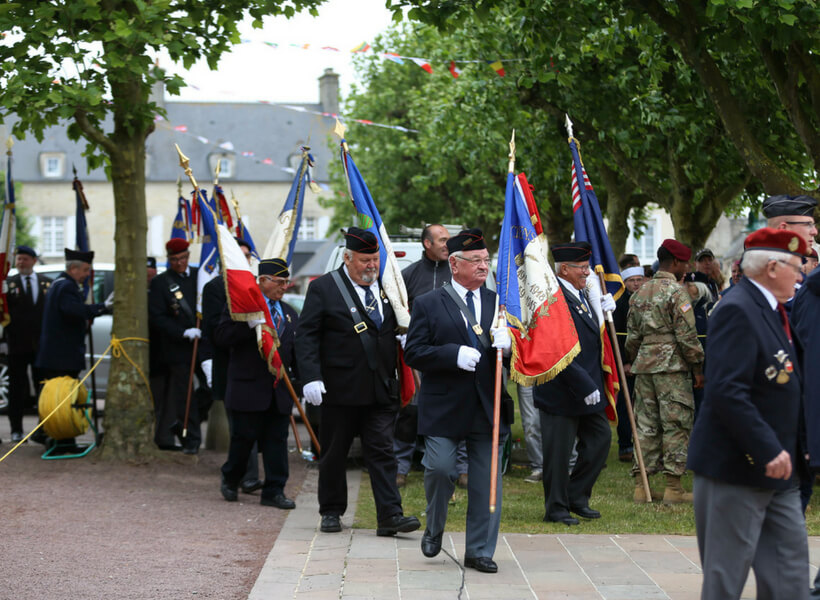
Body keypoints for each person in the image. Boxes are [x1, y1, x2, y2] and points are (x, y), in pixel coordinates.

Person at [689, 228, 809, 600]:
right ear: (773, 267)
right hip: (737, 468)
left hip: (781, 469)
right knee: (726, 580)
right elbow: (727, 391)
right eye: (796, 266)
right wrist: (766, 448)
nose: (801, 274)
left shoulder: (773, 309)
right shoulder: (738, 309)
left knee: (789, 577)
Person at [295, 227, 420, 537]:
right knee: (335, 452)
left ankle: (390, 515)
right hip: (339, 388)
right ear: (347, 258)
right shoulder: (324, 288)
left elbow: (392, 328)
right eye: (365, 260)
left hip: (379, 387)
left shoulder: (387, 289)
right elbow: (307, 336)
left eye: (375, 260)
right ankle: (332, 511)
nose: (371, 266)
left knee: (382, 452)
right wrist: (310, 377)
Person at [404, 228, 511, 573]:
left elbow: (517, 357)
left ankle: (479, 550)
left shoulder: (500, 303)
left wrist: (508, 347)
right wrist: (452, 355)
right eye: (476, 260)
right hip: (444, 405)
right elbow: (414, 352)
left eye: (486, 260)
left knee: (486, 481)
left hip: (486, 404)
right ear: (454, 264)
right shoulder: (429, 303)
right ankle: (434, 527)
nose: (483, 266)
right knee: (440, 468)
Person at [533, 242, 614, 526]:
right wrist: (584, 384)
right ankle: (555, 508)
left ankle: (577, 496)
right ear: (564, 269)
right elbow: (555, 347)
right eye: (582, 268)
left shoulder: (579, 294)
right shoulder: (553, 298)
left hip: (587, 388)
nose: (587, 273)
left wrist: (602, 312)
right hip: (562, 388)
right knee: (558, 453)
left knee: (600, 440)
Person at [625, 239, 704, 504]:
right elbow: (687, 336)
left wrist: (637, 359)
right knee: (676, 424)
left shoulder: (640, 292)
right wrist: (698, 366)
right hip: (672, 368)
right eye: (686, 263)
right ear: (677, 263)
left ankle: (641, 488)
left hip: (644, 366)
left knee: (645, 425)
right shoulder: (676, 292)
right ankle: (673, 488)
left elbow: (632, 338)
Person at [215, 258, 298, 509]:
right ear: (262, 281)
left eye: (286, 282)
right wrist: (248, 326)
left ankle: (274, 490)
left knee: (277, 440)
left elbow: (297, 351)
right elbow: (221, 338)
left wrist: (303, 383)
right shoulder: (240, 310)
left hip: (279, 389)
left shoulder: (290, 313)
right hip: (247, 388)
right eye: (279, 282)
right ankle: (231, 476)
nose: (284, 287)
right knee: (243, 439)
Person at [34, 248, 111, 450]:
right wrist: (102, 307)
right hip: (62, 355)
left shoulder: (60, 284)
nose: (87, 275)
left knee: (58, 398)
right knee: (63, 400)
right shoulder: (66, 287)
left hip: (57, 354)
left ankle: (51, 436)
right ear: (73, 268)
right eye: (85, 270)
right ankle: (62, 441)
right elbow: (73, 311)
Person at [396, 224, 453, 488]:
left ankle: (457, 466)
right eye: (442, 240)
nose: (446, 245)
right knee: (411, 412)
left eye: (448, 240)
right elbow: (397, 311)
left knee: (454, 409)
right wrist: (403, 333)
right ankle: (401, 466)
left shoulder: (456, 273)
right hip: (418, 356)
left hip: (451, 357)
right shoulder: (408, 275)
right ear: (427, 244)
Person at [203, 238, 261, 491]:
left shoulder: (255, 286)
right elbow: (216, 330)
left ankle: (246, 475)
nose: (245, 260)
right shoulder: (216, 287)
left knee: (255, 425)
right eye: (240, 255)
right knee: (240, 427)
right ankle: (241, 476)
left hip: (256, 367)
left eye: (248, 256)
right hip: (230, 366)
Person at [148, 238, 204, 454]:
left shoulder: (200, 276)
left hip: (203, 344)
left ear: (188, 256)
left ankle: (181, 424)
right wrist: (182, 332)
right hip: (178, 348)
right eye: (174, 259)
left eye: (182, 258)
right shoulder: (162, 282)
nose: (179, 263)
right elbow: (158, 317)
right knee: (184, 394)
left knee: (210, 389)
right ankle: (191, 439)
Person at [5, 246, 51, 443]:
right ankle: (16, 430)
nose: (20, 263)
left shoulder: (47, 283)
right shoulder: (8, 285)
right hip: (16, 346)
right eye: (18, 259)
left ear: (33, 260)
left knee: (43, 388)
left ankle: (43, 429)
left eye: (24, 259)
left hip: (41, 347)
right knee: (17, 389)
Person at [613, 263, 645, 463]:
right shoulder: (619, 304)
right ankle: (625, 445)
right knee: (626, 405)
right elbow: (616, 335)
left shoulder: (645, 300)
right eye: (632, 280)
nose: (636, 283)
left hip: (645, 361)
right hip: (627, 362)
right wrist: (624, 362)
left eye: (639, 280)